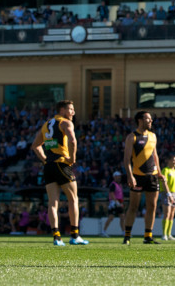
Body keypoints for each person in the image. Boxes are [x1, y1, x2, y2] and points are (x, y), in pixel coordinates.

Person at [30, 100, 88, 246]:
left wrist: (45, 160)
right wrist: (72, 159)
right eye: (70, 109)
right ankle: (75, 235)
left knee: (52, 202)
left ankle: (57, 237)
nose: (73, 112)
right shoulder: (66, 123)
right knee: (73, 199)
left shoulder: (46, 125)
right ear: (62, 110)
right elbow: (73, 141)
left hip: (49, 166)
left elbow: (36, 146)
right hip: (62, 163)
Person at [122, 111, 167, 245]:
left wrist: (159, 172)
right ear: (140, 120)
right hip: (138, 176)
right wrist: (130, 176)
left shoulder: (153, 136)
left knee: (152, 206)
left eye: (151, 119)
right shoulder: (132, 137)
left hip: (152, 176)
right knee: (133, 206)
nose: (151, 121)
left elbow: (155, 156)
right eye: (148, 119)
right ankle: (127, 236)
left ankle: (148, 236)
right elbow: (126, 159)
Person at [160, 155, 175, 241]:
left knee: (172, 214)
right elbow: (164, 183)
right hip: (166, 193)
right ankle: (164, 234)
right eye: (173, 160)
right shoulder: (165, 170)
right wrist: (169, 194)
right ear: (168, 161)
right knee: (167, 213)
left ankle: (169, 234)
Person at [101, 171, 125, 237]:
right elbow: (112, 194)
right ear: (114, 177)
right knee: (111, 217)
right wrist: (116, 201)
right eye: (118, 176)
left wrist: (120, 202)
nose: (119, 177)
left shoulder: (119, 185)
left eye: (119, 176)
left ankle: (123, 232)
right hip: (114, 203)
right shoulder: (113, 184)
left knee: (122, 217)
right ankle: (103, 231)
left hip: (119, 203)